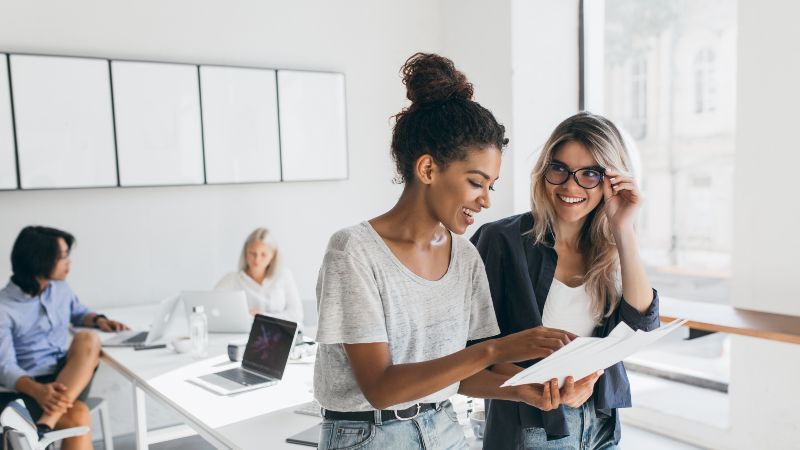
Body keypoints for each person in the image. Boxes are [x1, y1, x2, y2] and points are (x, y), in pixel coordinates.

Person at [313, 53, 574, 450]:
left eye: (491, 186)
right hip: (368, 435)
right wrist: (496, 349)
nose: (486, 200)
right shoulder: (353, 251)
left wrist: (525, 389)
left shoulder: (465, 257)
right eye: (476, 182)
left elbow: (460, 375)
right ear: (428, 170)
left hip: (444, 426)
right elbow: (381, 388)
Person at [471, 112, 660, 449]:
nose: (571, 186)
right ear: (543, 171)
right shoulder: (501, 240)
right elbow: (472, 351)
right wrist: (546, 388)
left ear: (611, 181)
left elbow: (641, 326)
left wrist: (623, 228)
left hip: (600, 425)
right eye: (559, 169)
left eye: (590, 174)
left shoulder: (611, 248)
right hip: (533, 426)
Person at [0, 226, 129, 450]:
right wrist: (39, 391)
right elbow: (5, 367)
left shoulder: (60, 289)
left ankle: (44, 424)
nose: (69, 263)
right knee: (78, 415)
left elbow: (78, 312)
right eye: (62, 257)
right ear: (39, 260)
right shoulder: (4, 307)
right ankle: (44, 425)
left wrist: (98, 320)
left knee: (88, 338)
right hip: (25, 389)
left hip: (66, 379)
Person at [214, 227, 303, 324]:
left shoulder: (284, 276)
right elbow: (213, 308)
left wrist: (263, 317)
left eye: (263, 254)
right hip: (244, 332)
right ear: (245, 252)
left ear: (273, 255)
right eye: (252, 253)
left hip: (278, 332)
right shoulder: (232, 279)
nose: (257, 259)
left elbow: (297, 315)